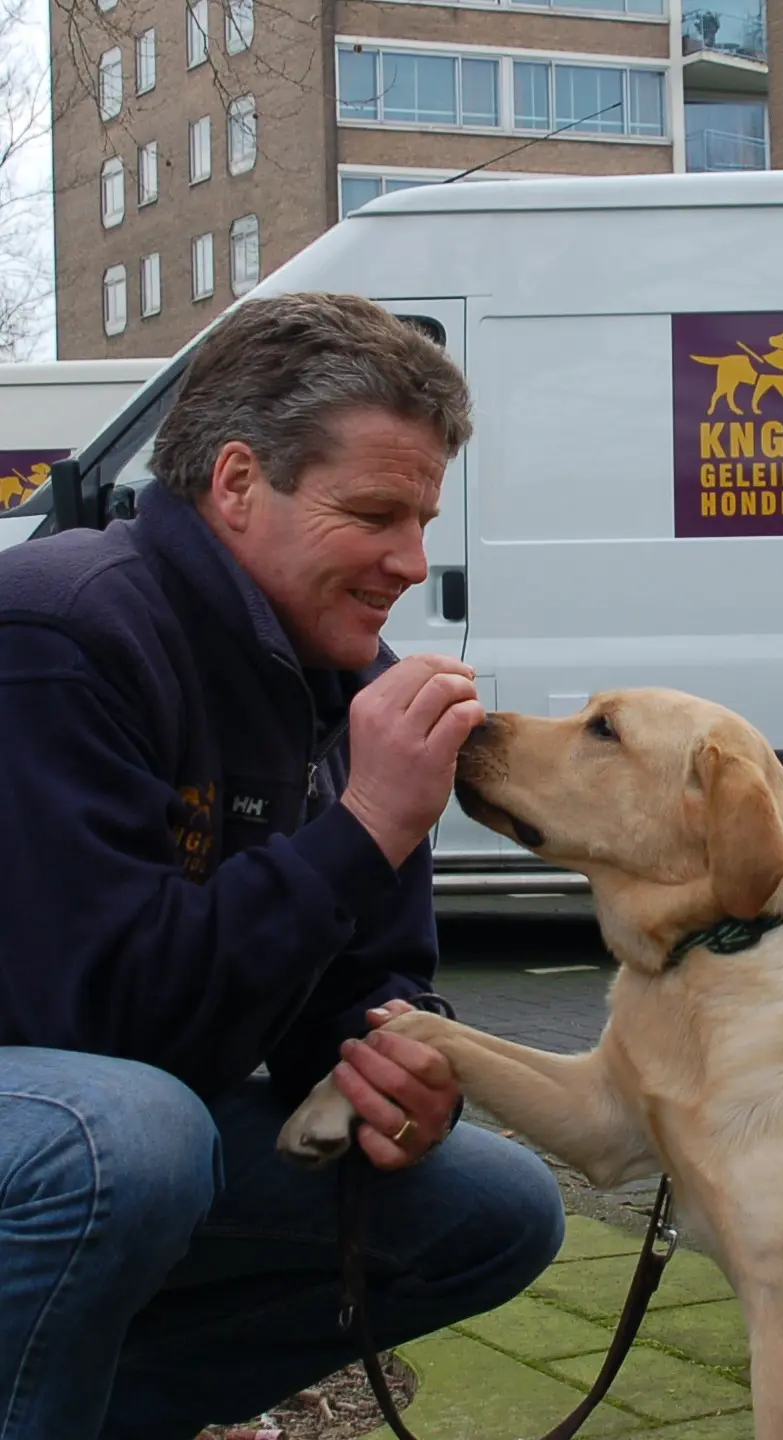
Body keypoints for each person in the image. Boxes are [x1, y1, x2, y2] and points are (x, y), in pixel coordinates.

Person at [0, 293, 566, 1440]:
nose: (410, 563)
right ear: (239, 483)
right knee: (133, 1139)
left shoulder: (349, 683)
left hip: (114, 1109)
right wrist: (363, 826)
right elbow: (102, 1021)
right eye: (373, 514)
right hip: (62, 1102)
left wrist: (400, 1064)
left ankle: (95, 1412)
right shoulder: (60, 636)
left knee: (498, 1210)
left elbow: (367, 986)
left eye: (423, 519)